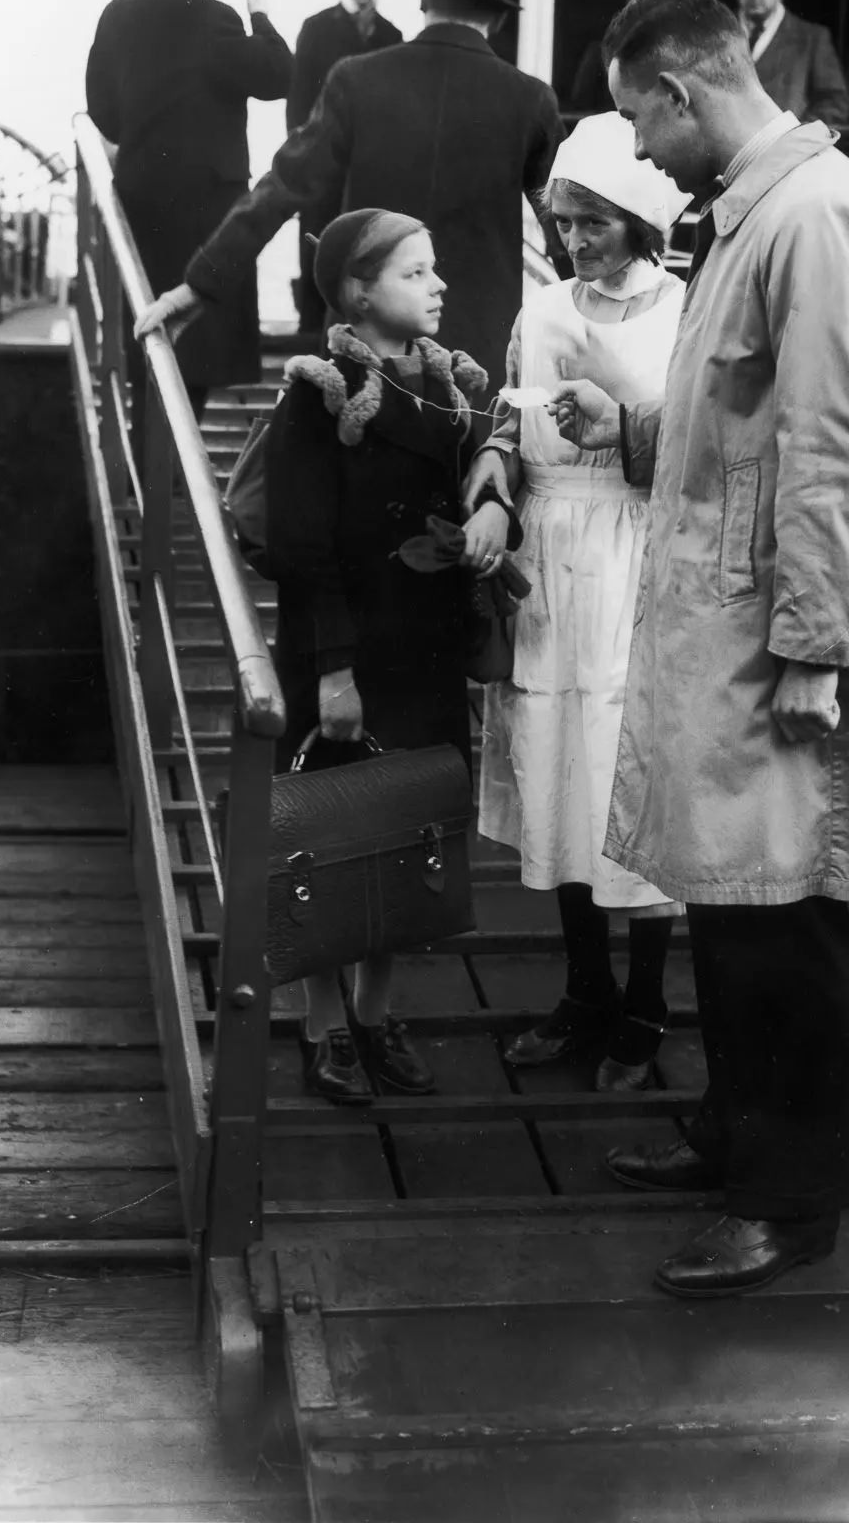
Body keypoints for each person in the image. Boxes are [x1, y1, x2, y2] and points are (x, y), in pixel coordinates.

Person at [552, 0, 849, 1298]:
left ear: (679, 88)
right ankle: (735, 1136)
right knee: (733, 898)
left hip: (777, 652)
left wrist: (819, 648)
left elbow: (839, 443)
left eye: (636, 121)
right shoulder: (763, 216)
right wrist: (645, 437)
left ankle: (789, 1200)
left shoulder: (816, 222)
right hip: (735, 634)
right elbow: (743, 425)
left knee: (783, 917)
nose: (640, 151)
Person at [264, 208, 519, 1100]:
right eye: (416, 274)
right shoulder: (319, 391)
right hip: (347, 649)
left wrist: (491, 515)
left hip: (422, 646)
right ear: (359, 292)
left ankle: (377, 1018)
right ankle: (325, 1027)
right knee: (331, 837)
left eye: (435, 268)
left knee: (409, 836)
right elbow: (302, 547)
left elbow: (488, 468)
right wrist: (334, 669)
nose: (440, 285)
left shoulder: (449, 390)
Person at [466, 112, 690, 1092]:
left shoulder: (688, 309)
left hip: (639, 555)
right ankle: (583, 992)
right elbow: (507, 427)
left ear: (637, 218)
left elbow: (703, 449)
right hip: (552, 565)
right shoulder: (543, 310)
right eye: (560, 222)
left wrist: (622, 425)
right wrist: (489, 484)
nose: (572, 242)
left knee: (628, 779)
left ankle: (646, 1007)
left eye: (590, 222)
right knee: (557, 774)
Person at [133, 0, 565, 399]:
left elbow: (282, 187)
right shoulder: (532, 102)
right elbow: (566, 224)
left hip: (366, 361)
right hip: (476, 367)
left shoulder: (356, 80)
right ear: (500, 18)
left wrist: (197, 286)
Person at [85, 0, 292, 429]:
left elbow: (102, 112)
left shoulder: (120, 12)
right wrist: (262, 17)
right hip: (208, 212)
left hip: (141, 203)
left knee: (145, 332)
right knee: (194, 349)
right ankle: (175, 476)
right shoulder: (218, 18)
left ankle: (151, 464)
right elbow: (278, 76)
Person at [286, 0, 403, 336]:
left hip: (369, 179)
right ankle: (309, 348)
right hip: (324, 178)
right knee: (318, 262)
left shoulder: (391, 36)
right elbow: (298, 108)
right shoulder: (316, 30)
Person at [727, 0, 849, 128]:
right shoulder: (720, 35)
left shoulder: (811, 38)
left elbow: (834, 103)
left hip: (786, 151)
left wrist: (797, 135)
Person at [569, 0, 679, 115]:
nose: (634, 4)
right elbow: (579, 108)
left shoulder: (684, 56)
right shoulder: (598, 54)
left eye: (645, 0)